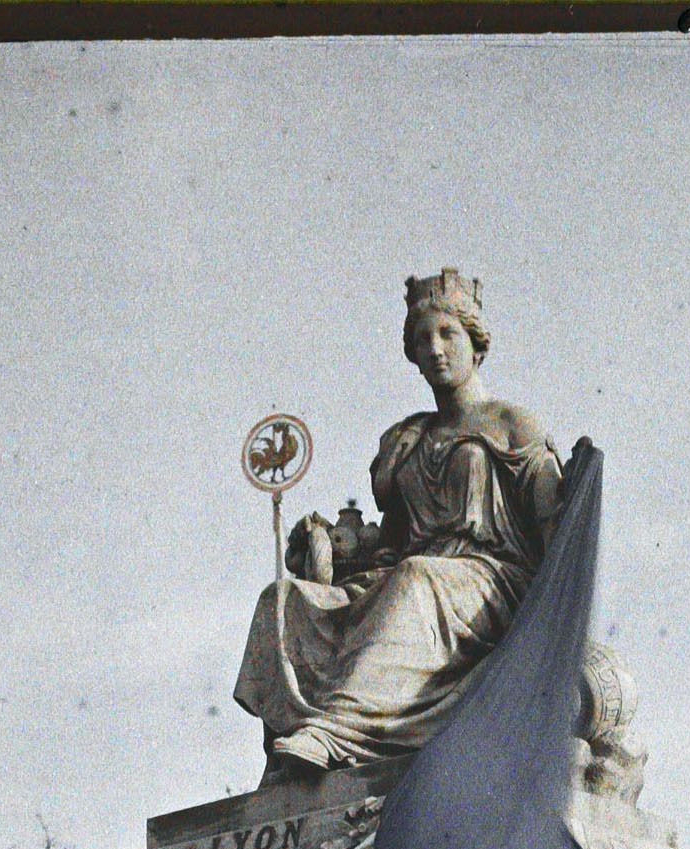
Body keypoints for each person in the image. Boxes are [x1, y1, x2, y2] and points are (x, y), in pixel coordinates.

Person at [233, 269, 565, 773]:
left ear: (474, 343)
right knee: (282, 599)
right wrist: (327, 547)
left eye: (447, 333)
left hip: (490, 583)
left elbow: (556, 531)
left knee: (416, 579)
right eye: (422, 338)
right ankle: (286, 766)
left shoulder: (512, 426)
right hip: (411, 578)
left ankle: (336, 732)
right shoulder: (403, 442)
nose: (435, 348)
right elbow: (389, 545)